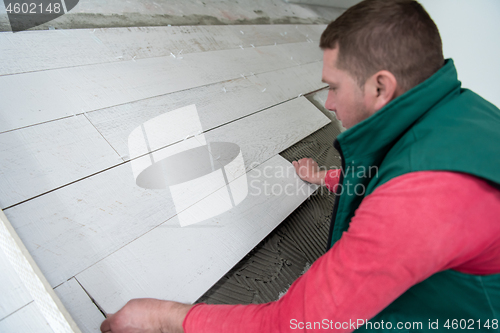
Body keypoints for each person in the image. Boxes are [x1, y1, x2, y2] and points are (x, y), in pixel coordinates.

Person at [100, 1, 500, 332]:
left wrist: (161, 317)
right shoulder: (460, 114)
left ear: (381, 86)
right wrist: (325, 176)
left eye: (333, 86)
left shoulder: (424, 200)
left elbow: (301, 324)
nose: (328, 103)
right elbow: (396, 171)